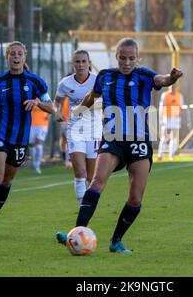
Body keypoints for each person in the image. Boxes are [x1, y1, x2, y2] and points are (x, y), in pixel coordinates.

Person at [56, 38, 183, 253]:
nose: (127, 62)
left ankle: (116, 241)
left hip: (139, 141)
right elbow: (92, 96)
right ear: (117, 57)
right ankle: (77, 233)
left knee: (135, 198)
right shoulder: (105, 76)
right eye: (122, 58)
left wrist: (171, 77)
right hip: (112, 139)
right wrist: (78, 111)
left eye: (131, 58)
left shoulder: (144, 75)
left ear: (137, 58)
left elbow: (161, 80)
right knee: (96, 181)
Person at [0, 41, 54, 238]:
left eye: (19, 54)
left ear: (24, 57)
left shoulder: (35, 82)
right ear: (7, 57)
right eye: (12, 54)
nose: (16, 57)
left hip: (20, 138)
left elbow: (51, 107)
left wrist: (37, 102)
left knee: (7, 180)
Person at [54, 50, 102, 205]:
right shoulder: (65, 83)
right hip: (75, 130)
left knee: (91, 176)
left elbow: (106, 101)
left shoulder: (98, 80)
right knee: (80, 173)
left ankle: (89, 203)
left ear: (89, 63)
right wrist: (57, 112)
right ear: (72, 64)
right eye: (77, 62)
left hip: (95, 130)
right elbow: (57, 101)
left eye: (83, 61)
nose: (80, 65)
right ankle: (83, 206)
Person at [157, 84, 184, 161]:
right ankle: (160, 155)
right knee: (165, 137)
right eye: (171, 87)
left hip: (175, 119)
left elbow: (181, 108)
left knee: (174, 137)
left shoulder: (179, 96)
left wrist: (178, 116)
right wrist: (161, 119)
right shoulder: (165, 95)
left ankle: (171, 155)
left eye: (174, 87)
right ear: (169, 87)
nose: (173, 88)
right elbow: (161, 107)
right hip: (167, 118)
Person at [29, 105, 50, 174]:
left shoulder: (45, 97)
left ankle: (37, 165)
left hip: (43, 124)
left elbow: (51, 107)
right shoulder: (30, 97)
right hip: (31, 124)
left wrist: (49, 114)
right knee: (31, 145)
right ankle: (33, 163)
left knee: (39, 144)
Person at [58, 96, 72, 168]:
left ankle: (67, 159)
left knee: (67, 140)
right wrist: (60, 116)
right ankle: (68, 160)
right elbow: (59, 104)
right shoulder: (65, 94)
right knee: (68, 141)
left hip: (74, 120)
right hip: (66, 121)